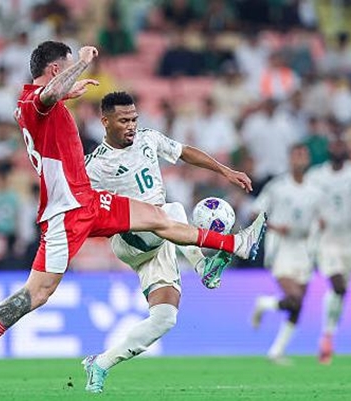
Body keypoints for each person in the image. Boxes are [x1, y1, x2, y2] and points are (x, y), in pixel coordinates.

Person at [0, 41, 267, 396]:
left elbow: (47, 102)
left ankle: (237, 244)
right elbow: (46, 96)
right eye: (67, 67)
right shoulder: (34, 101)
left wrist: (67, 91)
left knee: (163, 215)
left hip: (88, 201)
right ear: (55, 70)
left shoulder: (38, 105)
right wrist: (82, 63)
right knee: (37, 293)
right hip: (66, 214)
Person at [82, 91, 249, 392]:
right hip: (132, 239)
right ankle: (205, 266)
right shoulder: (95, 166)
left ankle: (100, 364)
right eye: (123, 121)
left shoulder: (148, 138)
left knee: (164, 318)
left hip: (163, 237)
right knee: (171, 210)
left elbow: (184, 152)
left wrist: (225, 170)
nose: (131, 126)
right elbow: (80, 207)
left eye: (134, 119)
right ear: (105, 121)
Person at [305, 138, 351, 364]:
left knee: (341, 290)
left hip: (349, 241)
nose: (338, 149)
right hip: (325, 240)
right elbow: (304, 202)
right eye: (334, 145)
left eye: (341, 145)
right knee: (337, 283)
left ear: (347, 149)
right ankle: (327, 335)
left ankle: (328, 335)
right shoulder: (316, 176)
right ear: (329, 149)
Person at [250, 144, 322, 364]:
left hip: (304, 247)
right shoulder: (277, 187)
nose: (300, 159)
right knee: (294, 298)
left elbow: (320, 218)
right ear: (290, 159)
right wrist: (275, 226)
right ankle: (263, 304)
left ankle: (276, 351)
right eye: (296, 155)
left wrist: (320, 227)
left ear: (308, 160)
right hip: (281, 246)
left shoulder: (315, 190)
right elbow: (255, 213)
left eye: (303, 155)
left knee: (297, 306)